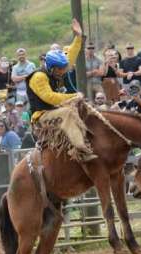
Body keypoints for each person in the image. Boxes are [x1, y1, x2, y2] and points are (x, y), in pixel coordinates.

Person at [26, 19, 97, 162]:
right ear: (52, 68)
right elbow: (49, 97)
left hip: (53, 111)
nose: (64, 71)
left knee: (82, 108)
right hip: (41, 116)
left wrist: (78, 37)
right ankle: (80, 149)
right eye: (61, 69)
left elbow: (69, 56)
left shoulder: (57, 68)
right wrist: (74, 96)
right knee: (67, 112)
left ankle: (91, 138)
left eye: (64, 68)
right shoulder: (39, 76)